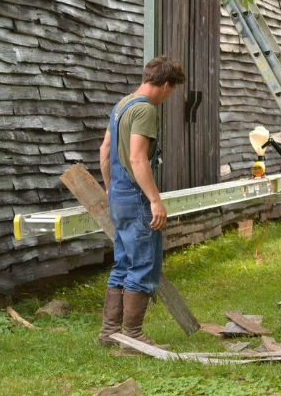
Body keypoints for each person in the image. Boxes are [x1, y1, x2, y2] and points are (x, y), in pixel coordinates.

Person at [97, 56, 185, 347]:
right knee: (143, 264)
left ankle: (110, 332)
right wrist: (155, 200)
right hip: (136, 198)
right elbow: (137, 158)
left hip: (119, 196)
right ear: (165, 84)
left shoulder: (122, 105)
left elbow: (105, 149)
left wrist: (111, 187)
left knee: (123, 263)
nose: (168, 96)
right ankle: (132, 337)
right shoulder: (145, 110)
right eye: (171, 90)